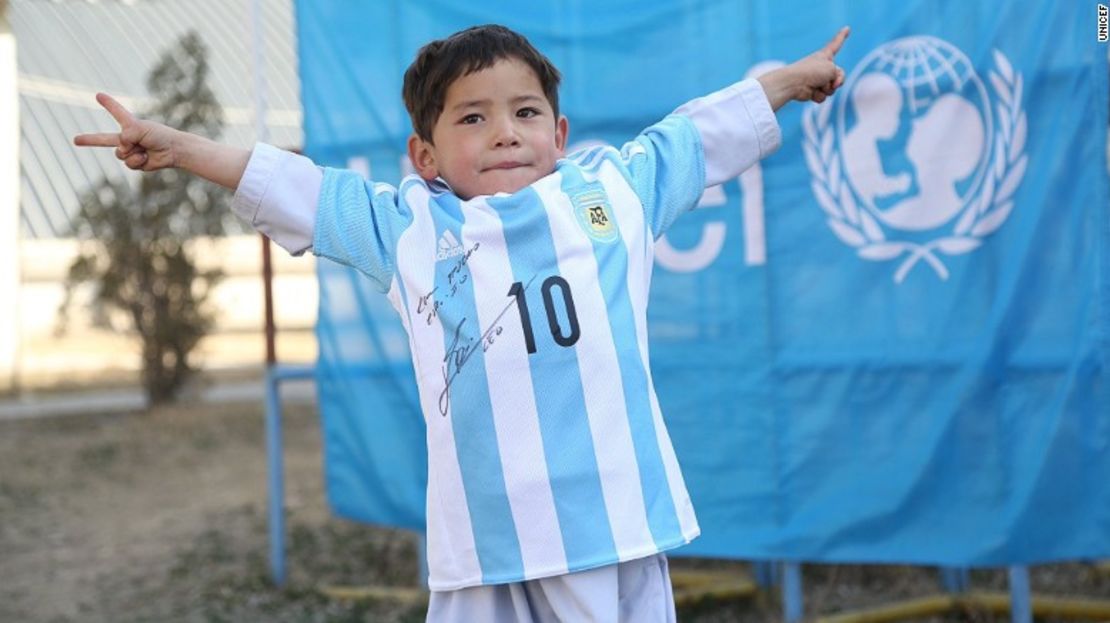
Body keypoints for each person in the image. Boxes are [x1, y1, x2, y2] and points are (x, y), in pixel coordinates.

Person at [76, 23, 849, 623]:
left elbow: (694, 137)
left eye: (525, 112)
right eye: (473, 117)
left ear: (560, 133)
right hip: (482, 544)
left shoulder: (612, 193)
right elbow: (298, 187)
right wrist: (180, 148)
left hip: (609, 529)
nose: (506, 131)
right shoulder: (407, 228)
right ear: (426, 154)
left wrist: (785, 81)